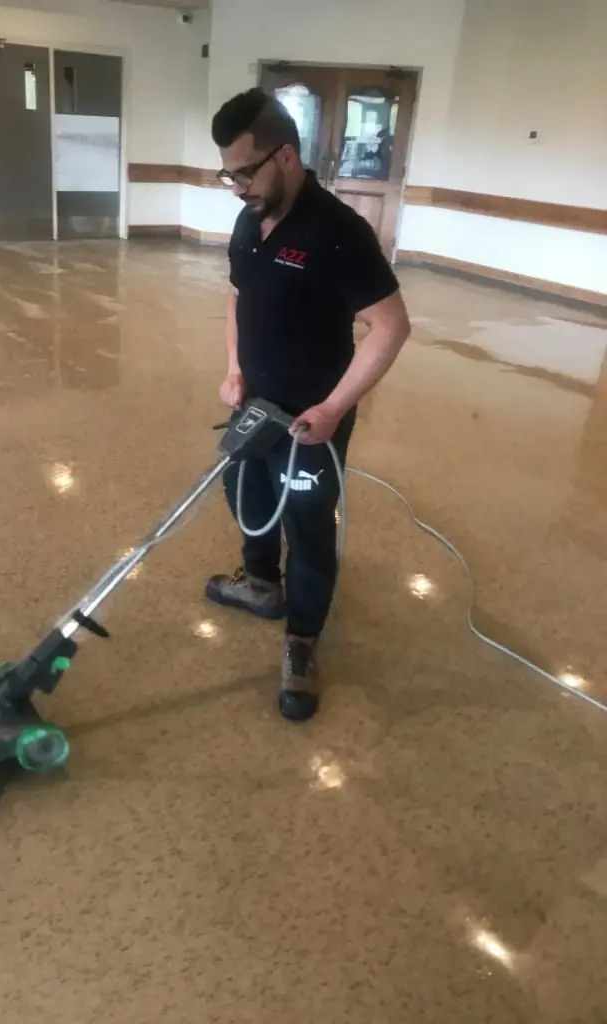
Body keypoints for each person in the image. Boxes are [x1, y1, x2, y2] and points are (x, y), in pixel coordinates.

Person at [206, 87, 410, 723]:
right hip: (254, 401)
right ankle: (261, 581)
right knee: (244, 490)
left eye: (245, 171)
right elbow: (239, 296)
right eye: (227, 174)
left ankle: (302, 637)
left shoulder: (338, 232)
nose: (237, 187)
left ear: (286, 156)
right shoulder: (249, 217)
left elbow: (390, 326)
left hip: (309, 419)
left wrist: (333, 409)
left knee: (309, 521)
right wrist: (235, 368)